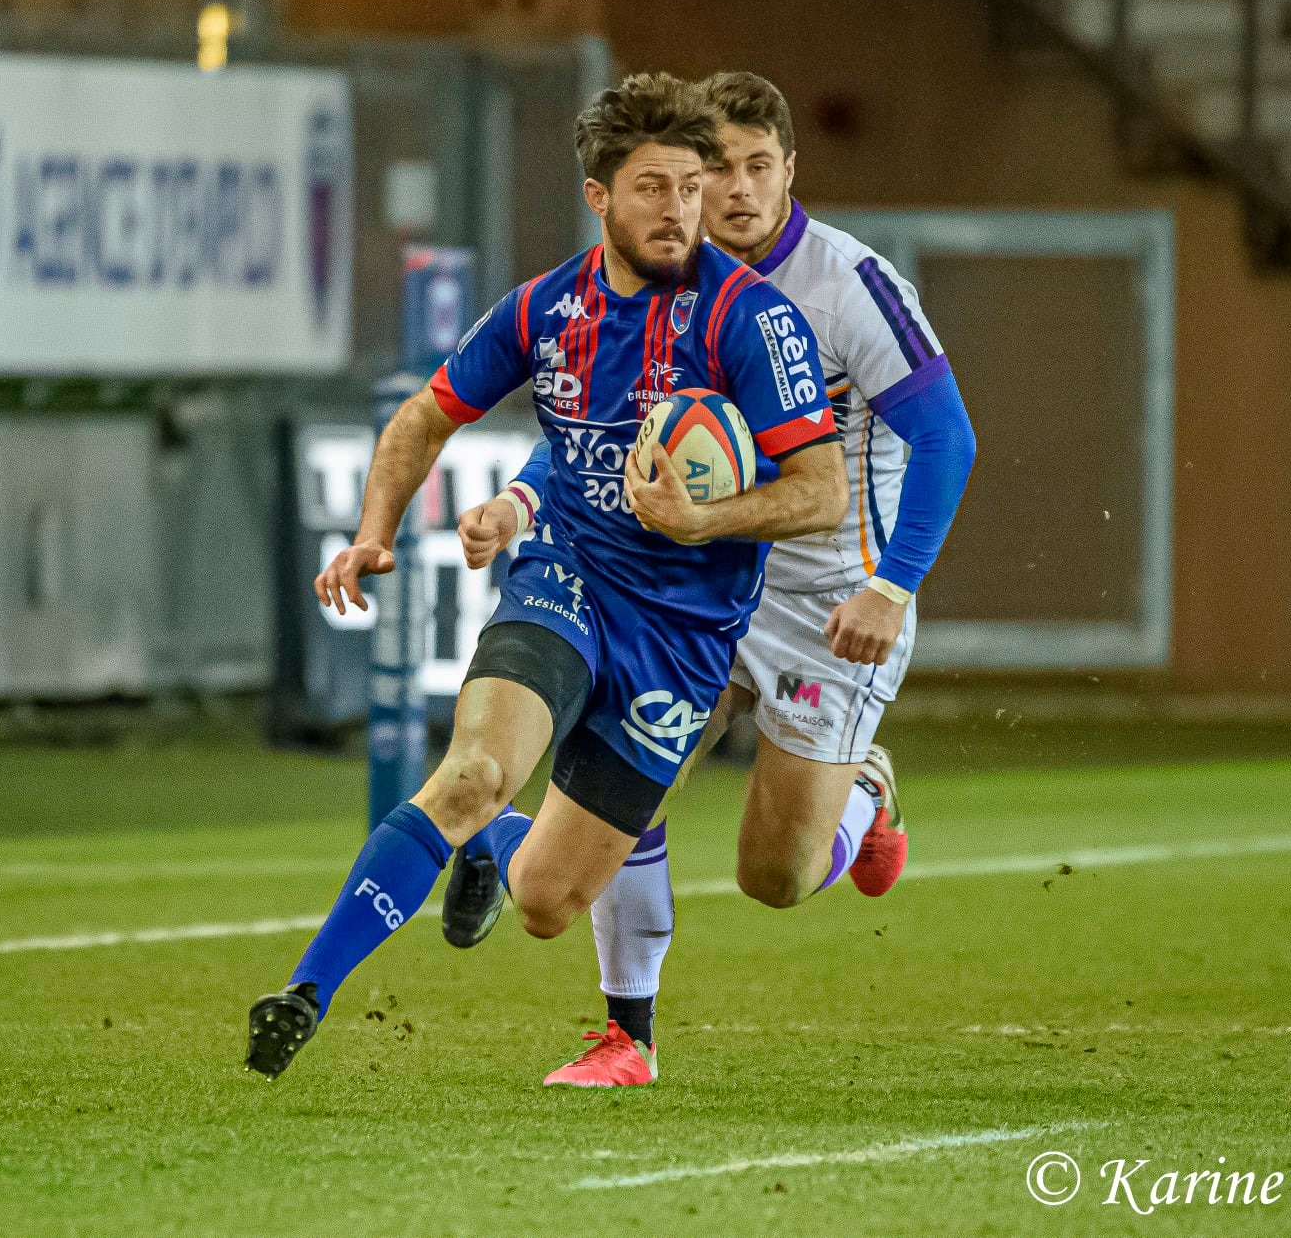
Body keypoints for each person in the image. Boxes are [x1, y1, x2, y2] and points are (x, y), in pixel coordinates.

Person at [245, 72, 847, 1079]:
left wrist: (709, 517)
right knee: (471, 772)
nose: (679, 210)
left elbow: (822, 489)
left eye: (689, 188)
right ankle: (306, 988)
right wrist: (372, 529)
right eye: (652, 188)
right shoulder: (544, 307)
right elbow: (427, 413)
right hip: (563, 582)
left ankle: (498, 845)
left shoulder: (752, 321)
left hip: (682, 638)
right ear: (598, 196)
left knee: (545, 903)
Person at [446, 72, 976, 1087]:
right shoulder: (662, 283)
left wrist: (893, 584)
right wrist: (520, 496)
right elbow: (588, 431)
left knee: (773, 875)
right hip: (697, 588)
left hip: (833, 604)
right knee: (596, 834)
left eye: (755, 166)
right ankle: (626, 1036)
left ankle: (862, 788)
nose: (732, 190)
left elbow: (944, 438)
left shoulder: (848, 285)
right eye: (713, 168)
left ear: (790, 170)